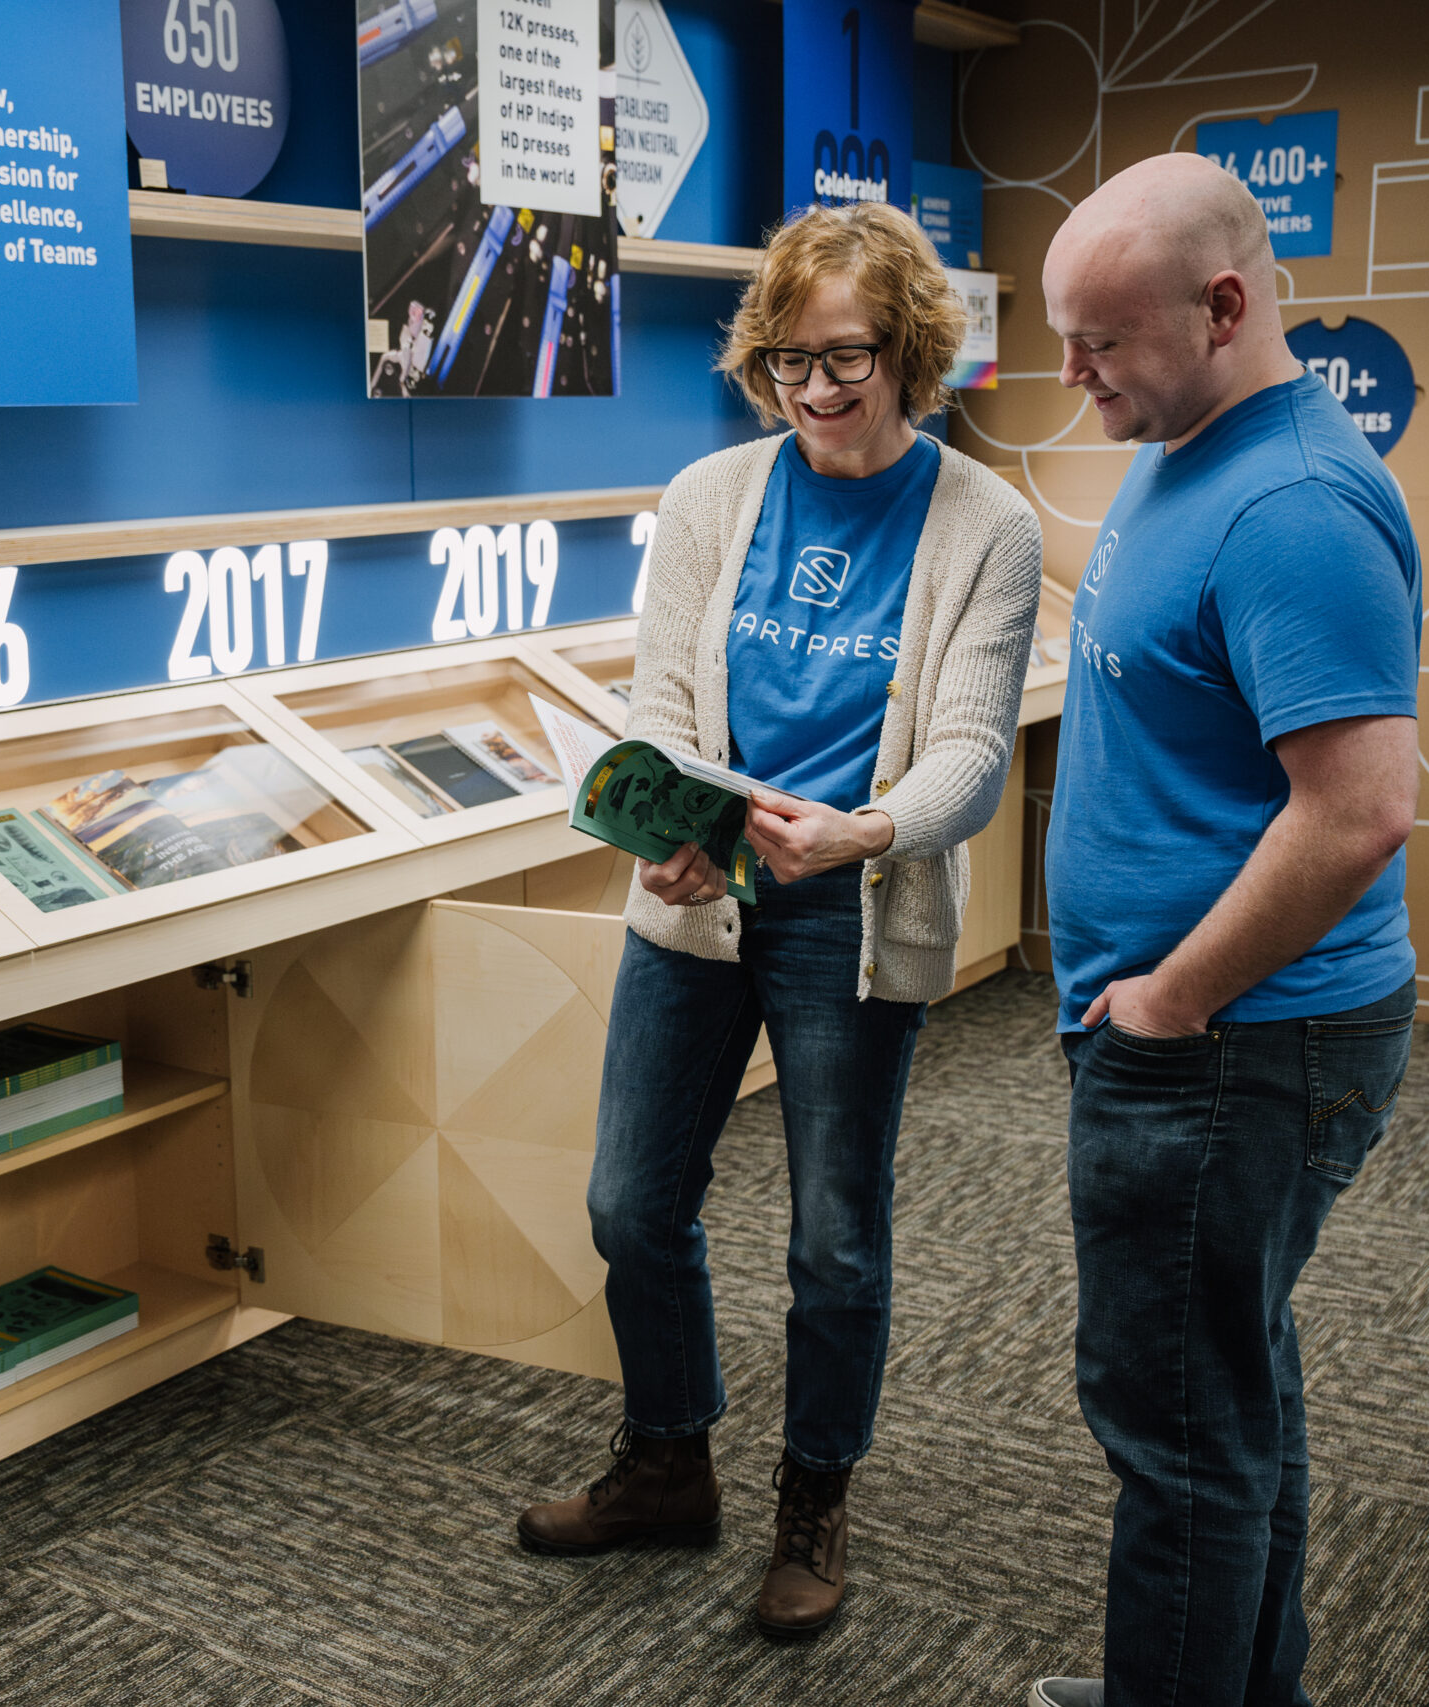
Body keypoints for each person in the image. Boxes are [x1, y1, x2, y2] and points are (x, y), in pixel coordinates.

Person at [514, 199, 1043, 1639]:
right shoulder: (709, 497)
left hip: (852, 909)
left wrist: (865, 831)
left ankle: (817, 1495)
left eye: (848, 358)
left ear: (913, 351)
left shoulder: (988, 524)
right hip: (703, 904)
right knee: (632, 1205)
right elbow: (662, 700)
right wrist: (676, 832)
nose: (817, 392)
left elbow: (971, 754)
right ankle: (670, 1461)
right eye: (788, 364)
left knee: (833, 1241)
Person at [1028, 155, 1423, 1707]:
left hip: (1233, 1047)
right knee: (1231, 1393)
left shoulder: (1294, 505)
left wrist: (1170, 1003)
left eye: (1103, 343)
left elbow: (1356, 815)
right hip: (1215, 1040)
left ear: (1227, 306)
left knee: (1178, 1436)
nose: (1073, 378)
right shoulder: (1185, 441)